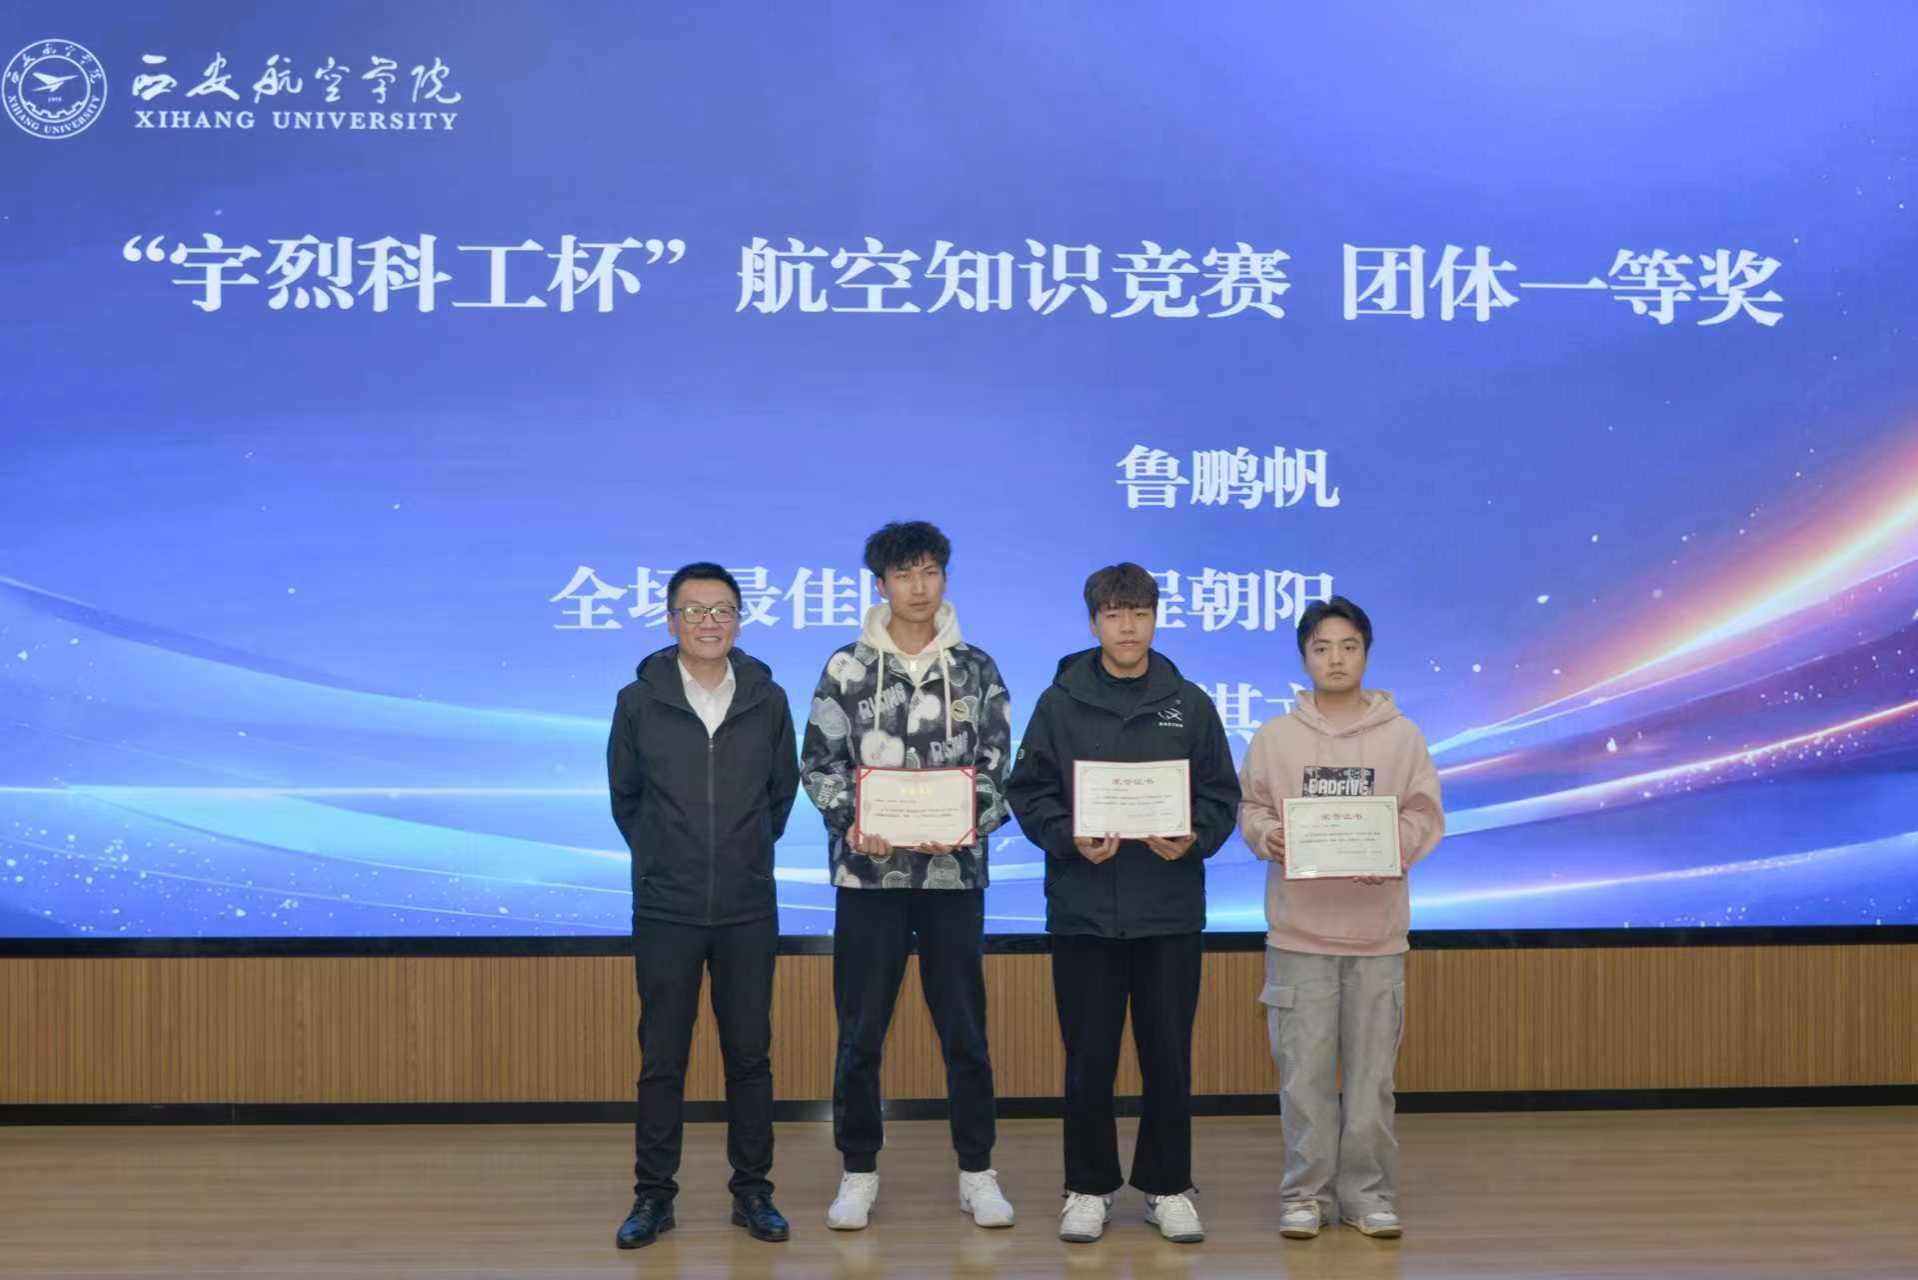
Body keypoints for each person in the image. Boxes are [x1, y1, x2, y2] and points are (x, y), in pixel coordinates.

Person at [1005, 562, 1241, 1246]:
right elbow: (1030, 792)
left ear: (1156, 618)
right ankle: (1088, 1187)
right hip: (1084, 911)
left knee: (1168, 1056)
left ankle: (1168, 1186)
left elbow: (1220, 795)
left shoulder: (1190, 703)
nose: (1128, 626)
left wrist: (1194, 835)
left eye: (1139, 613)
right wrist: (1068, 837)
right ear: (1094, 623)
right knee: (1088, 1058)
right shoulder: (1059, 703)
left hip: (1168, 910)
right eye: (1113, 615)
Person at [799, 520, 1017, 1231]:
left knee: (966, 1033)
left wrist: (965, 822)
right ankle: (858, 1171)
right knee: (860, 1033)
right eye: (903, 574)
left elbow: (999, 768)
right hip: (870, 878)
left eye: (930, 572)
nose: (918, 587)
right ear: (881, 584)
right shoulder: (846, 667)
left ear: (945, 578)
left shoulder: (977, 668)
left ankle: (977, 1172)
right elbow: (819, 764)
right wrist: (851, 821)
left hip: (955, 878)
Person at [1236, 595, 1444, 1241]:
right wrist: (1267, 835)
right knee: (1302, 1079)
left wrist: (1391, 847)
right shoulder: (1275, 737)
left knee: (1372, 1082)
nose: (1335, 658)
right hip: (1299, 936)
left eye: (1348, 646)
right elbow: (1250, 808)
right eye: (1321, 647)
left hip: (1377, 938)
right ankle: (1305, 1195)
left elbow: (1424, 814)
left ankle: (1367, 1194)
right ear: (1304, 657)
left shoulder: (1403, 737)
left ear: (1366, 654)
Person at [606, 562, 800, 1249]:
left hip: (748, 906)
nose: (709, 622)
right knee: (663, 1057)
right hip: (667, 906)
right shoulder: (638, 701)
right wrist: (664, 856)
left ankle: (754, 1192)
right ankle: (653, 1196)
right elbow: (626, 798)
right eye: (694, 610)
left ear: (740, 620)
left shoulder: (768, 699)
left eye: (722, 610)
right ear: (671, 621)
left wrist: (743, 854)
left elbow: (781, 795)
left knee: (749, 1055)